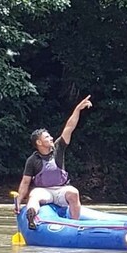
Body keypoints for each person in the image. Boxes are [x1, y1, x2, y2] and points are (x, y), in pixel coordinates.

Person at [17, 95, 93, 228]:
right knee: (34, 195)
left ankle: (75, 225)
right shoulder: (32, 160)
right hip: (44, 191)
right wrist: (18, 200)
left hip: (61, 190)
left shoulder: (58, 148)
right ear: (39, 142)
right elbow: (25, 182)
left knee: (74, 192)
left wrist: (77, 110)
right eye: (47, 137)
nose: (51, 138)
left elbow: (69, 127)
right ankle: (31, 216)